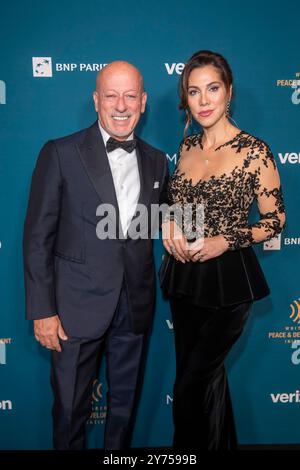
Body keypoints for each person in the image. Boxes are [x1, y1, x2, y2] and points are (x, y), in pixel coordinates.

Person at [23, 61, 168, 450]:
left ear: (144, 102)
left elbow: (166, 221)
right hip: (73, 309)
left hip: (134, 306)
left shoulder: (157, 160)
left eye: (130, 96)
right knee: (70, 413)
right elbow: (38, 237)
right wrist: (42, 310)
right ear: (96, 100)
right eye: (111, 95)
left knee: (124, 412)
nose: (121, 105)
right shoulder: (60, 152)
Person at [161, 50, 285, 450]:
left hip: (229, 284)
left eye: (212, 88)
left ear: (228, 91)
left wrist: (224, 240)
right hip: (185, 278)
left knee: (191, 387)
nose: (204, 100)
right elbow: (176, 207)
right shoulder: (186, 148)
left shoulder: (255, 151)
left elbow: (275, 221)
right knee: (206, 385)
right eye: (194, 92)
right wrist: (168, 224)